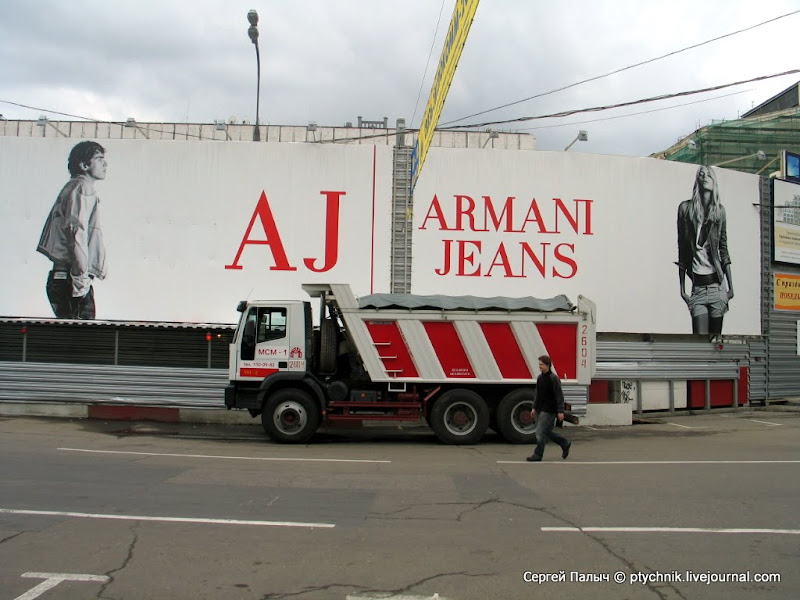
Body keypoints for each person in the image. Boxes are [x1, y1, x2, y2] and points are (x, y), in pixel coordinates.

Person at [37, 141, 108, 319]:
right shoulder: (83, 187)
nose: (105, 164)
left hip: (65, 278)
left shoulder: (73, 186)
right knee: (82, 340)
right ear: (84, 165)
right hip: (71, 280)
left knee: (72, 340)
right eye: (99, 159)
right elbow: (77, 233)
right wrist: (80, 281)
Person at [676, 165, 734, 336]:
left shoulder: (719, 212)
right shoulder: (685, 209)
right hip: (698, 290)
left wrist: (731, 289)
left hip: (717, 288)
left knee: (715, 345)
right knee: (700, 343)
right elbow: (682, 250)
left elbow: (724, 250)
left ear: (714, 180)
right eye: (701, 174)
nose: (704, 176)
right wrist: (682, 290)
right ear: (697, 181)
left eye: (708, 174)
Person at [526, 354, 571, 462]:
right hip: (541, 408)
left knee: (539, 432)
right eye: (539, 364)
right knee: (546, 432)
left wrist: (560, 411)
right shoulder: (540, 378)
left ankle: (538, 455)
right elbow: (538, 394)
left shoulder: (553, 379)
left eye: (541, 365)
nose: (539, 367)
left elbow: (559, 396)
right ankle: (564, 443)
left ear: (548, 365)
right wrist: (534, 407)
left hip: (550, 410)